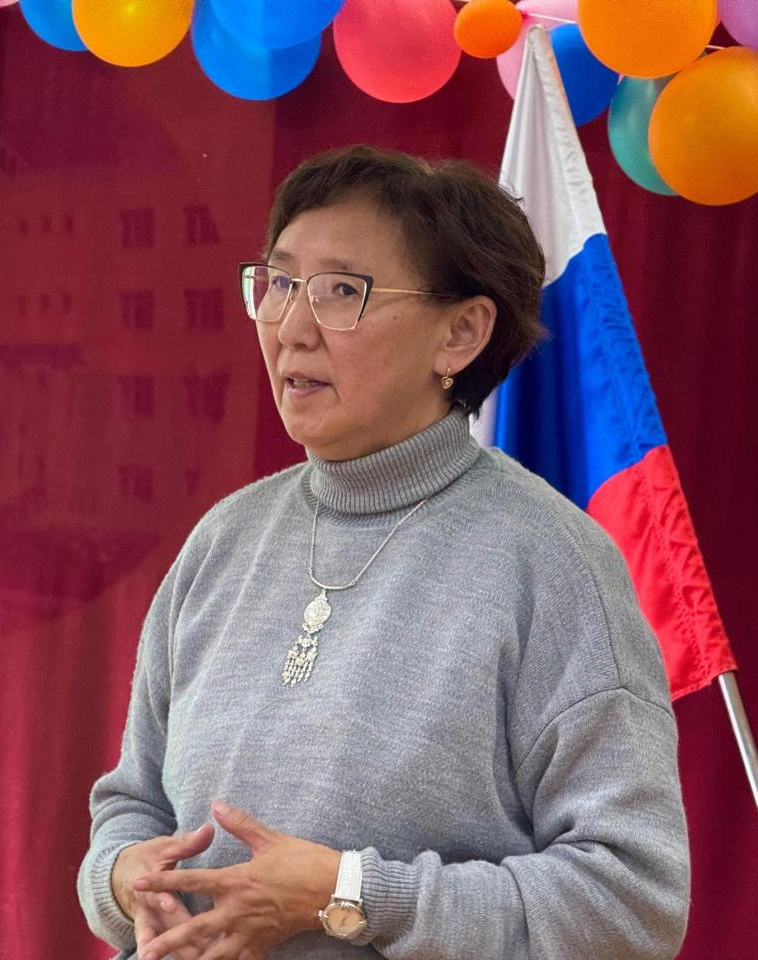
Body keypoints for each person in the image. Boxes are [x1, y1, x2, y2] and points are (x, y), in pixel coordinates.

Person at [76, 145, 689, 960]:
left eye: (341, 292)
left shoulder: (552, 564)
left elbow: (632, 903)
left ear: (460, 334)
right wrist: (122, 878)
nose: (292, 327)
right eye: (279, 283)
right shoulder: (222, 540)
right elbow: (131, 803)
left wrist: (350, 896)